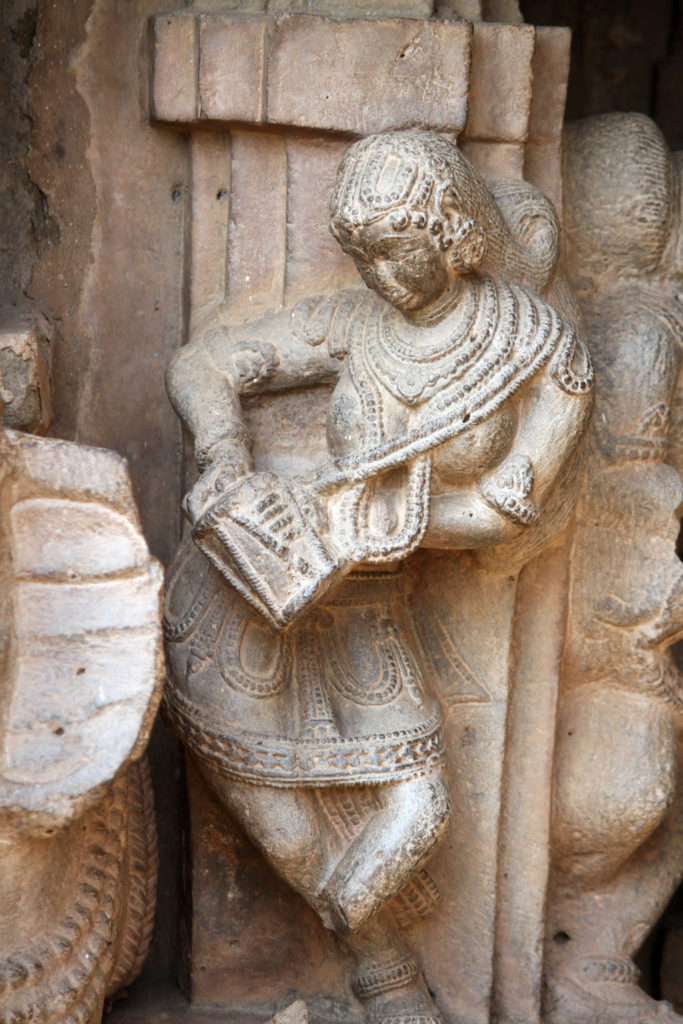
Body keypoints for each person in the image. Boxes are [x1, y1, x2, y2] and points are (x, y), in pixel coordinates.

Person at [164, 129, 593, 1024]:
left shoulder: (542, 352)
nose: (380, 277)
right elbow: (205, 363)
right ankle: (383, 978)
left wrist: (401, 524)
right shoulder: (357, 325)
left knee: (418, 809)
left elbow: (511, 507)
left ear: (453, 233)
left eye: (397, 252)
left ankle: (354, 924)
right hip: (247, 591)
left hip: (364, 602)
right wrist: (227, 457)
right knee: (274, 811)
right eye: (360, 256)